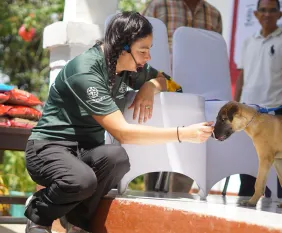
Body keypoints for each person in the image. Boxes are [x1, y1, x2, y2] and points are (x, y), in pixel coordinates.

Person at [24, 12, 214, 233]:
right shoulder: (86, 70)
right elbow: (123, 133)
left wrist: (150, 86)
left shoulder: (128, 69)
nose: (148, 57)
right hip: (48, 148)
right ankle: (39, 214)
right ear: (122, 47)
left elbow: (171, 83)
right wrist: (182, 134)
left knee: (117, 157)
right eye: (143, 50)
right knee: (82, 179)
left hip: (83, 151)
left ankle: (77, 222)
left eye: (149, 49)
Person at [142, 0, 222, 193]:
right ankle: (150, 198)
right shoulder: (158, 5)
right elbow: (140, 43)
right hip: (162, 88)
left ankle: (178, 199)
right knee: (157, 146)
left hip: (198, 92)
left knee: (192, 143)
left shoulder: (214, 14)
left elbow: (215, 54)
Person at [234, 0, 282, 198]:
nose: (267, 14)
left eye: (272, 11)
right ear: (255, 14)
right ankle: (245, 202)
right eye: (263, 10)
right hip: (246, 113)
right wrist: (234, 106)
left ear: (279, 14)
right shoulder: (248, 42)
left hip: (274, 112)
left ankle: (280, 204)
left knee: (275, 161)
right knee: (247, 162)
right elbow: (241, 77)